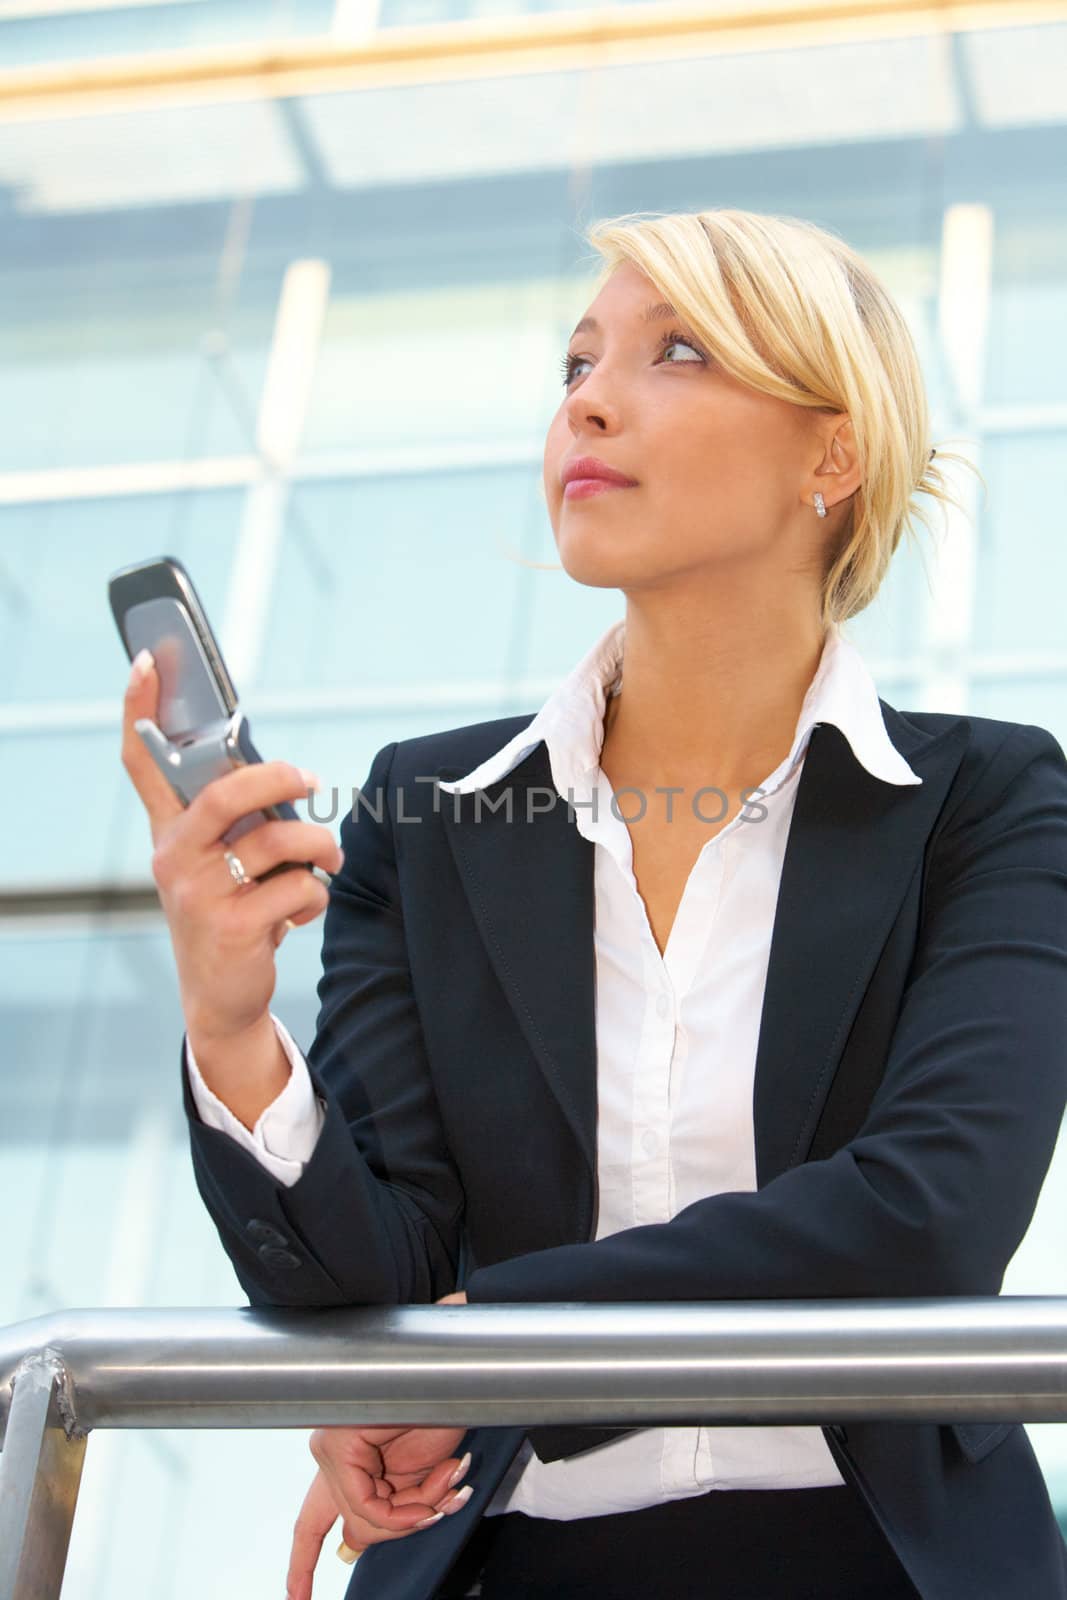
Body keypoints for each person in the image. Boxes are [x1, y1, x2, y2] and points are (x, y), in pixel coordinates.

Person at [120, 208, 1067, 1600]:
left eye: (674, 352)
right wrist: (231, 1020)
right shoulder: (428, 814)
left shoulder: (988, 800)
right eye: (574, 366)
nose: (591, 400)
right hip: (509, 1567)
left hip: (884, 1563)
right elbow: (372, 1281)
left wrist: (488, 1338)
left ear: (834, 451)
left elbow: (924, 1216)